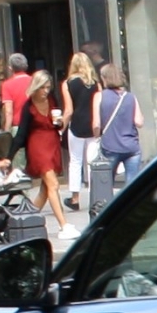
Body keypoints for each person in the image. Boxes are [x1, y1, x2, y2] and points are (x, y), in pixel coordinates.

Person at [16, 70, 69, 231]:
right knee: (53, 185)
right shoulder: (29, 106)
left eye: (48, 87)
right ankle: (63, 225)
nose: (46, 91)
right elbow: (21, 134)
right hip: (38, 147)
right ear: (35, 87)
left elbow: (55, 124)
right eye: (42, 88)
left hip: (52, 144)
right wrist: (7, 156)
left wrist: (59, 123)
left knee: (45, 190)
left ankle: (25, 221)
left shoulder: (51, 100)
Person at [90, 63, 143, 213]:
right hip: (132, 147)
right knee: (132, 185)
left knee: (106, 184)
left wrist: (97, 137)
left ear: (104, 78)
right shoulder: (130, 96)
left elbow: (96, 124)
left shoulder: (99, 96)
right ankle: (133, 215)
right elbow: (139, 122)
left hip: (110, 146)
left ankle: (110, 216)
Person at [61, 51, 100, 209]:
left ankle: (75, 199)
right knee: (91, 162)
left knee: (75, 161)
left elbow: (69, 110)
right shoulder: (96, 83)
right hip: (93, 126)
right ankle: (94, 197)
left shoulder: (68, 83)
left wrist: (60, 128)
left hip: (76, 126)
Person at [0, 52, 33, 156]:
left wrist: (7, 132)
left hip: (17, 127)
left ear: (10, 68)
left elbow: (8, 112)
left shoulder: (7, 85)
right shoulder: (34, 81)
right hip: (34, 125)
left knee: (18, 164)